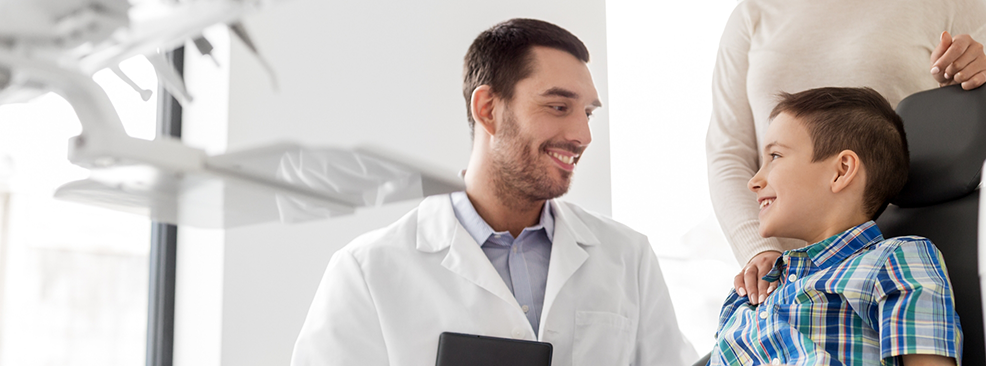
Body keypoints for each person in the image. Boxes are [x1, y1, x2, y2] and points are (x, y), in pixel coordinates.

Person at [290, 18, 696, 366]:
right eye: (558, 107)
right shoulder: (368, 270)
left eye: (587, 113)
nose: (582, 135)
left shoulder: (628, 256)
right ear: (487, 109)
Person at [706, 0, 986, 305]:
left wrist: (962, 88)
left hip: (882, 279)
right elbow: (728, 152)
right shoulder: (754, 12)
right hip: (781, 287)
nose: (756, 180)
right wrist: (759, 251)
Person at [709, 87, 961, 366]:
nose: (754, 181)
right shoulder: (745, 297)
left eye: (775, 156)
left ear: (842, 170)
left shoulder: (895, 260)